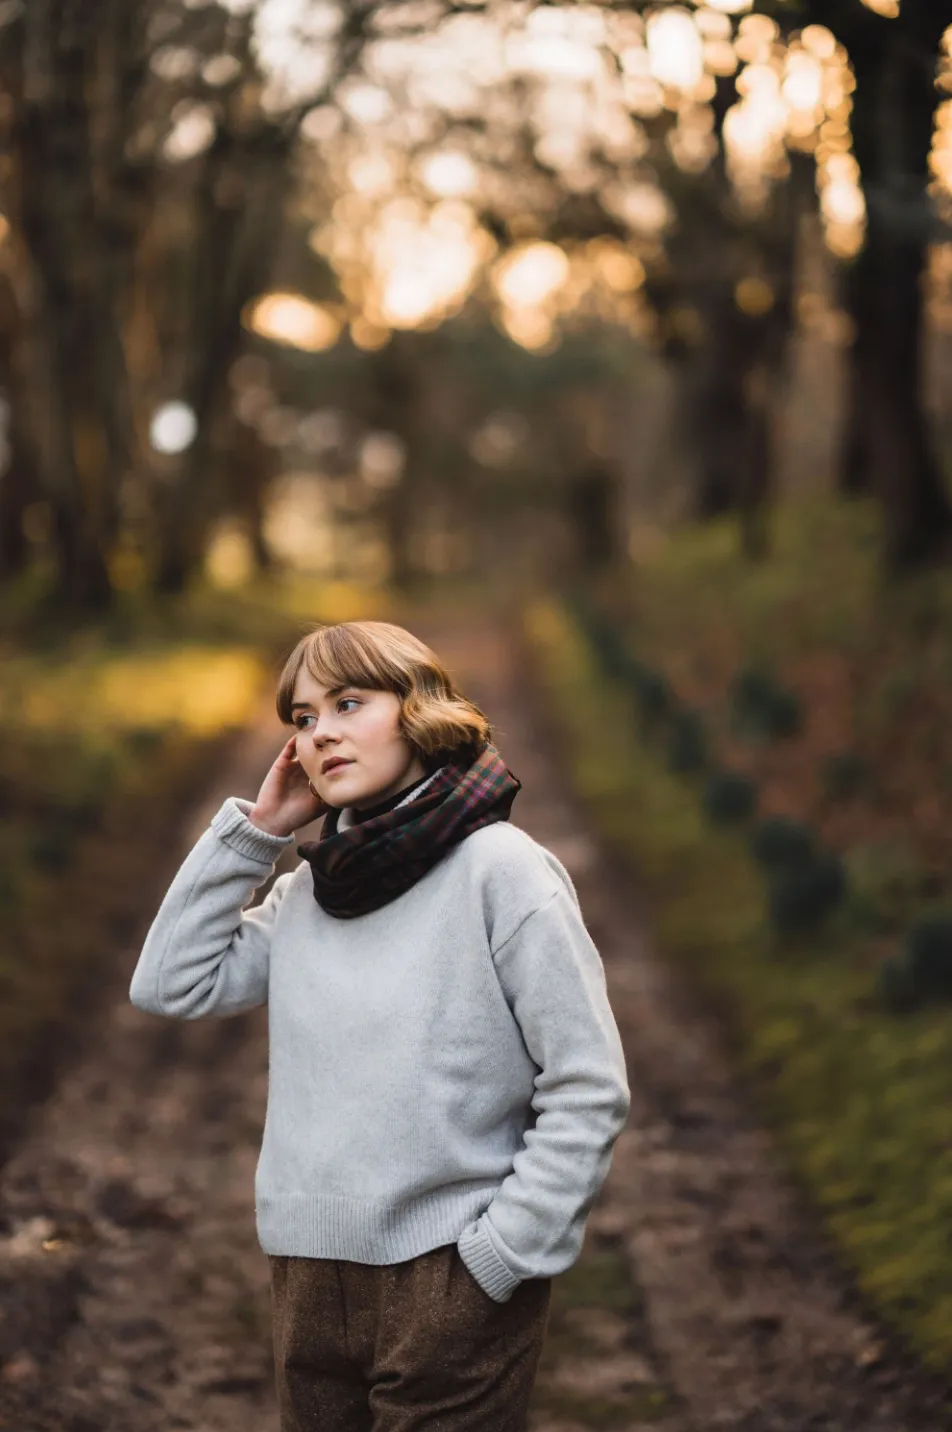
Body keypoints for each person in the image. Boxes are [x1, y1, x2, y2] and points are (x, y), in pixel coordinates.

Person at [129, 618, 631, 1432]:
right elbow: (170, 983)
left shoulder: (499, 871)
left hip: (451, 1276)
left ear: (417, 710)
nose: (319, 731)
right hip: (306, 1278)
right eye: (301, 718)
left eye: (348, 703)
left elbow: (588, 1084)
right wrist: (257, 833)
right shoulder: (308, 894)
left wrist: (501, 1258)